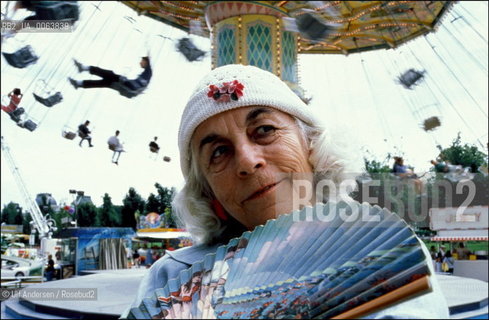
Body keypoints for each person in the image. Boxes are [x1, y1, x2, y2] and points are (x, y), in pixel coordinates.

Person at [126, 64, 449, 318]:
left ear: (313, 145)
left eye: (264, 130)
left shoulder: (380, 249)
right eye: (219, 152)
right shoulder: (170, 277)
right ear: (207, 191)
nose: (248, 162)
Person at [68, 57, 152, 94]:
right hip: (122, 85)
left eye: (142, 61)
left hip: (123, 84)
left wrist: (125, 81)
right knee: (102, 82)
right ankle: (78, 83)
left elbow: (135, 87)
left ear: (146, 62)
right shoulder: (146, 73)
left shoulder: (148, 72)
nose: (140, 62)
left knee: (107, 74)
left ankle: (83, 68)